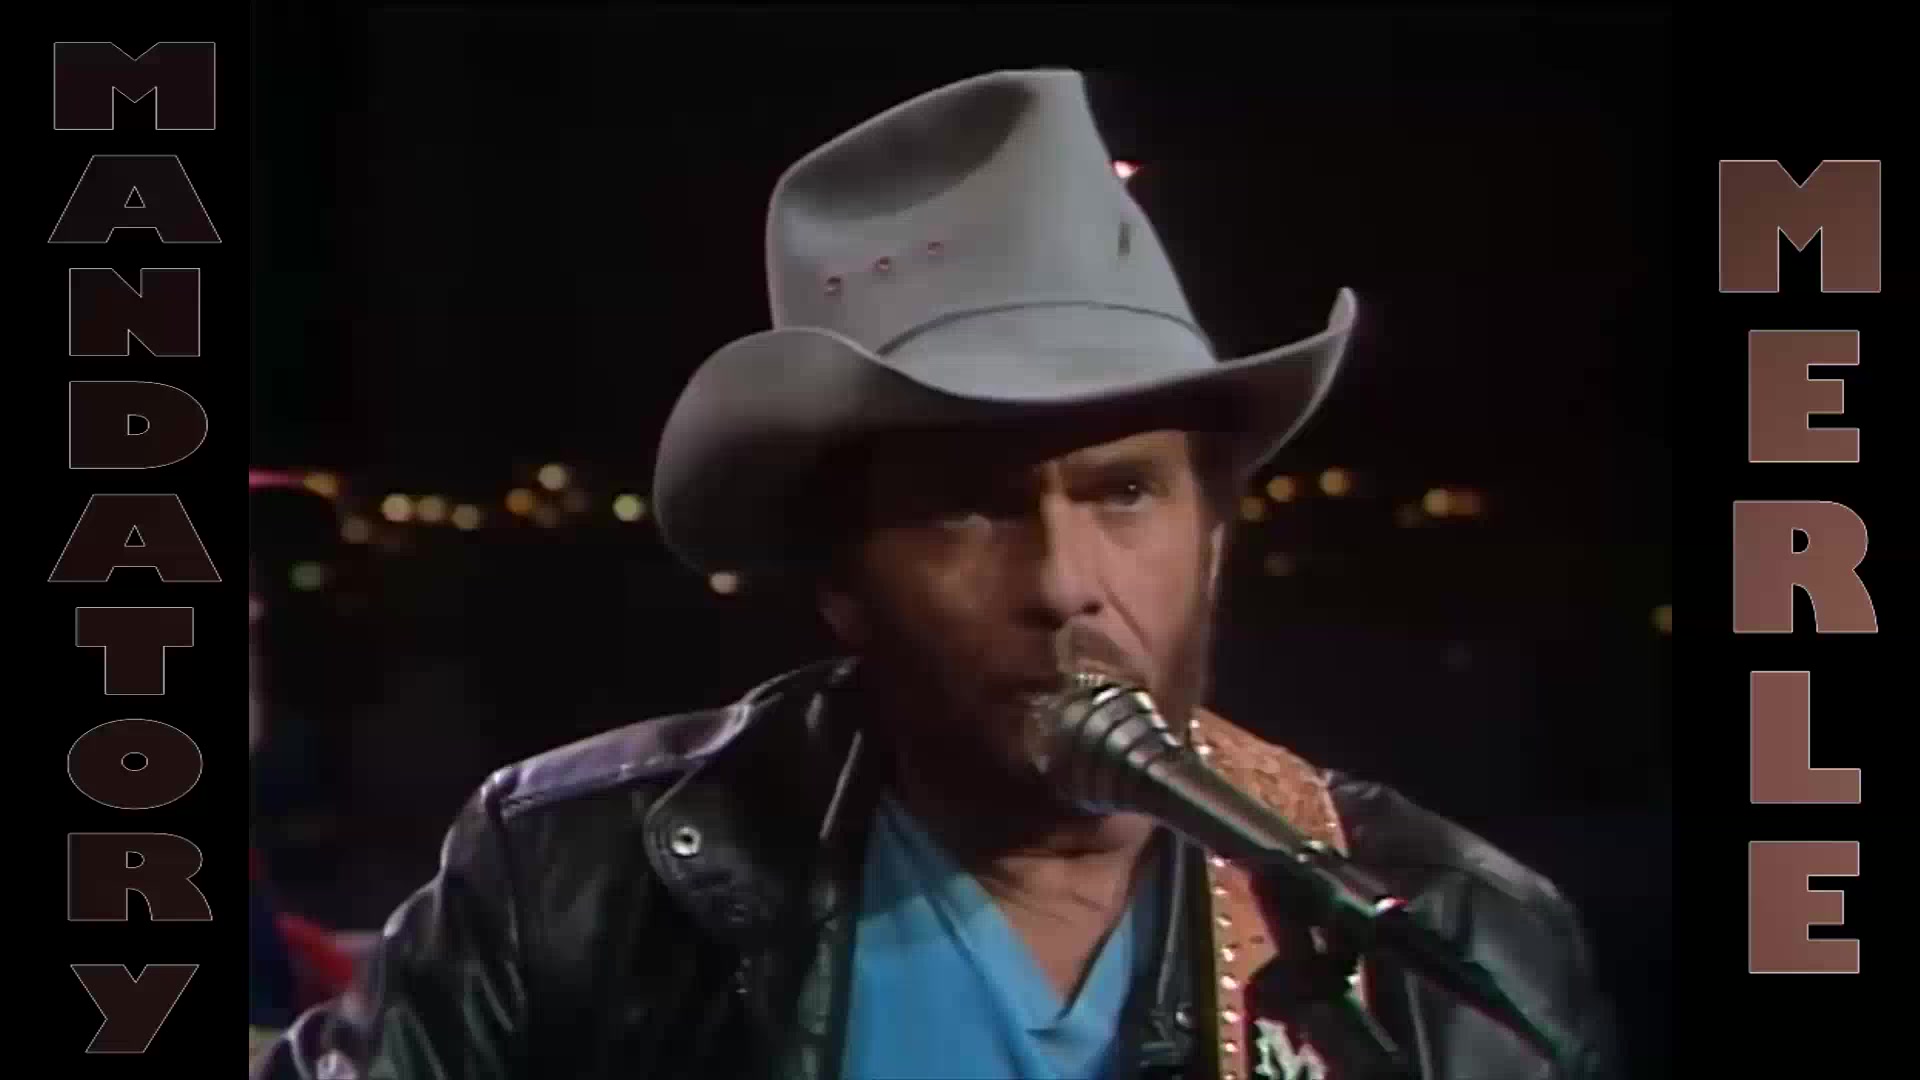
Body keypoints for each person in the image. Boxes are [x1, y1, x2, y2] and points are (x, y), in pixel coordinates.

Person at [257, 70, 1621, 1079]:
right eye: (968, 508)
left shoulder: (1455, 941)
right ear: (840, 581)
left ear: (1215, 534)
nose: (1065, 584)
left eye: (1125, 492)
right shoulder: (570, 876)